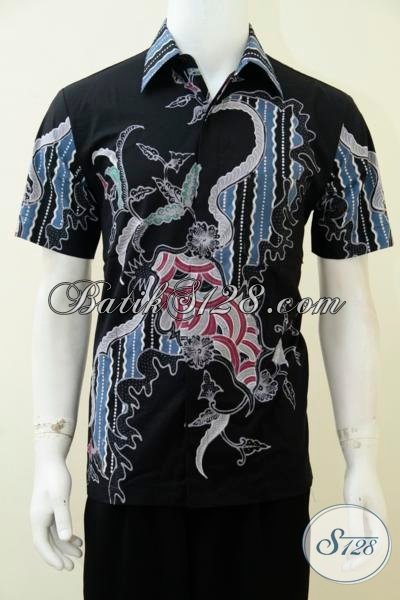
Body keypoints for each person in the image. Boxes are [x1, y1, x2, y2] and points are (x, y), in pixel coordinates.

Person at [15, 1, 393, 599]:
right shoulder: (82, 111)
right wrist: (48, 454)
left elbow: (347, 302)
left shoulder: (328, 118)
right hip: (128, 469)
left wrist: (362, 457)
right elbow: (59, 298)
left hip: (264, 474)